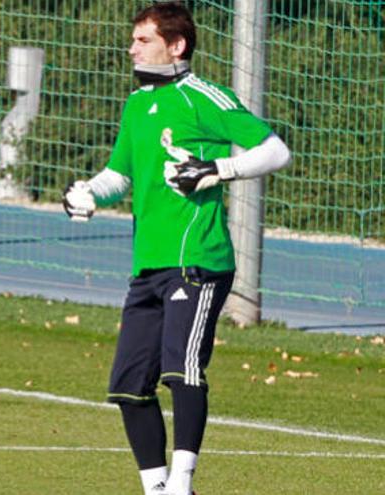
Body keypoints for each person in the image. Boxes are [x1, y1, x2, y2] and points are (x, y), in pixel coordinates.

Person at [62, 3, 290, 494]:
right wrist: (88, 192)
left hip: (198, 261)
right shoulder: (135, 104)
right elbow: (119, 174)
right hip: (148, 263)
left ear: (176, 45)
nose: (132, 48)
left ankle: (183, 483)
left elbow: (275, 150)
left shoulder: (200, 97)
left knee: (180, 370)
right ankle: (156, 488)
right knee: (127, 386)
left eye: (142, 39)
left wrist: (216, 169)